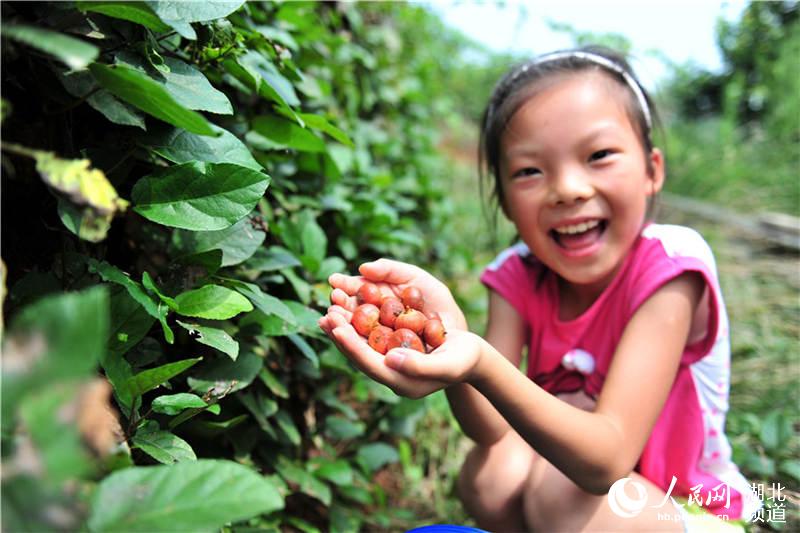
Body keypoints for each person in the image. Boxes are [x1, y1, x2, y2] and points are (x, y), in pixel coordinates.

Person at [318, 46, 761, 532]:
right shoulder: (518, 273)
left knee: (559, 493)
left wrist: (482, 361)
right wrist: (452, 345)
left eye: (599, 156)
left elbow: (606, 461)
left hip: (686, 507)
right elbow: (489, 428)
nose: (568, 188)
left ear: (653, 169)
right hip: (574, 492)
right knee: (489, 475)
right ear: (505, 203)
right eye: (530, 171)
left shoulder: (671, 269)